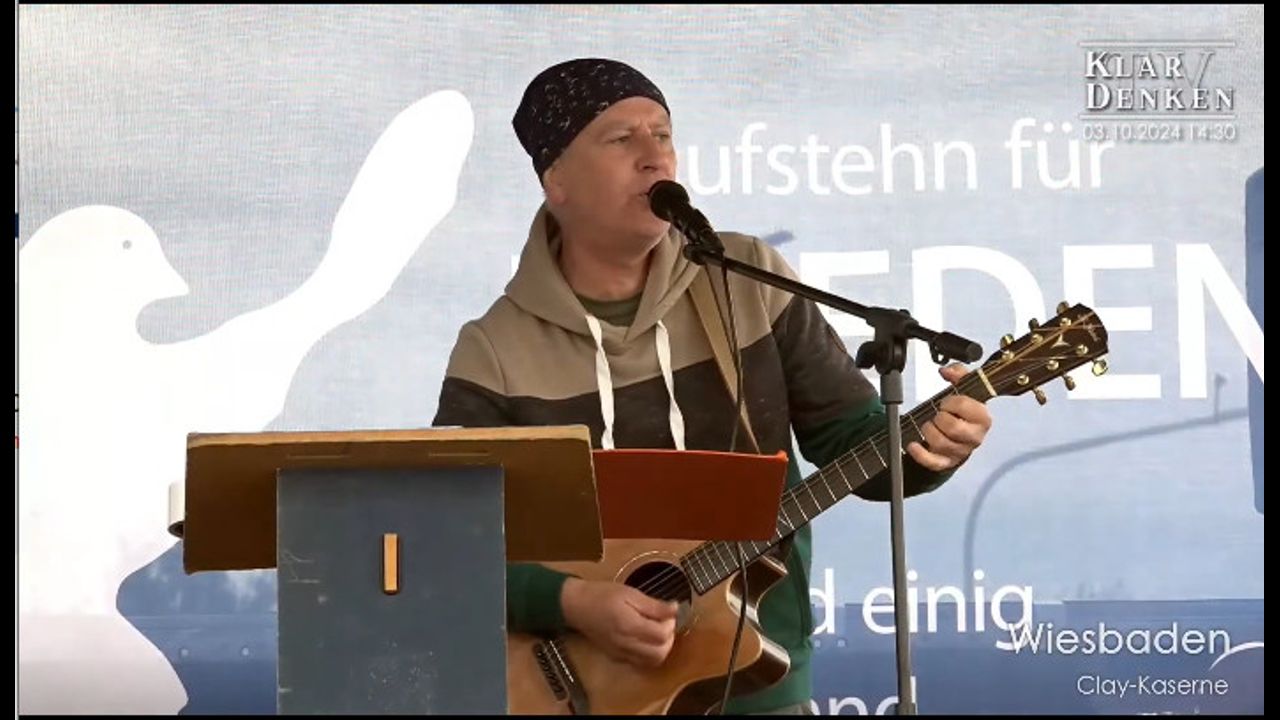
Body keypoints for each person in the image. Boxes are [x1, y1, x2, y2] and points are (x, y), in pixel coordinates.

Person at [433, 58, 993, 715]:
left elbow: (856, 447)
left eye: (663, 134)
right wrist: (573, 602)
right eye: (622, 139)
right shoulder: (494, 349)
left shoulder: (750, 279)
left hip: (760, 677)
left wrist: (933, 447)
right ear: (555, 178)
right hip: (583, 694)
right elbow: (448, 540)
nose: (654, 157)